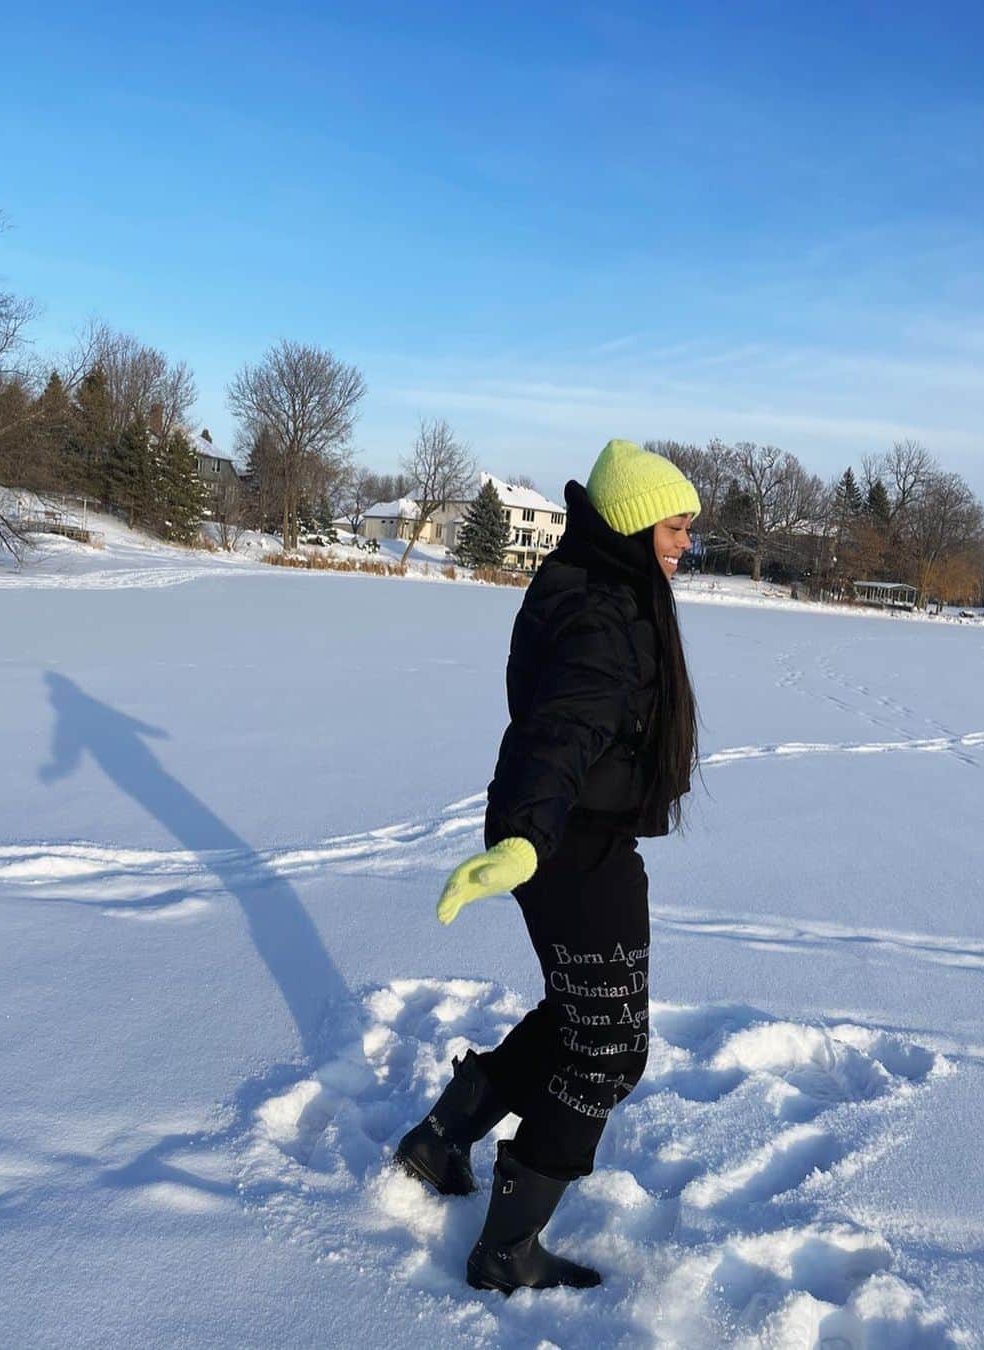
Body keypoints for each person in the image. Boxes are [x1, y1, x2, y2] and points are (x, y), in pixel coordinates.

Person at [394, 440, 701, 1295]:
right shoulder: (604, 609)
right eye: (675, 526)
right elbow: (559, 731)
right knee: (607, 1048)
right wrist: (528, 837)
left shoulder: (610, 586)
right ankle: (507, 1248)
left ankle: (439, 1139)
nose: (684, 543)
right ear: (636, 523)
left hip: (581, 835)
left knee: (578, 1017)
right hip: (569, 843)